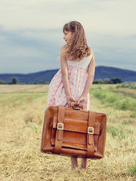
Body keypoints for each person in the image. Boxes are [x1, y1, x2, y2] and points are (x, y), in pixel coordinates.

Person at [47, 21, 95, 170]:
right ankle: (81, 165)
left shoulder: (68, 50)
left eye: (66, 33)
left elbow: (66, 73)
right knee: (81, 126)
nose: (64, 37)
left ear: (74, 33)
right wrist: (84, 95)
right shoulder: (89, 52)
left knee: (70, 126)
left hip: (70, 90)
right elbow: (89, 76)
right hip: (79, 91)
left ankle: (76, 165)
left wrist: (71, 95)